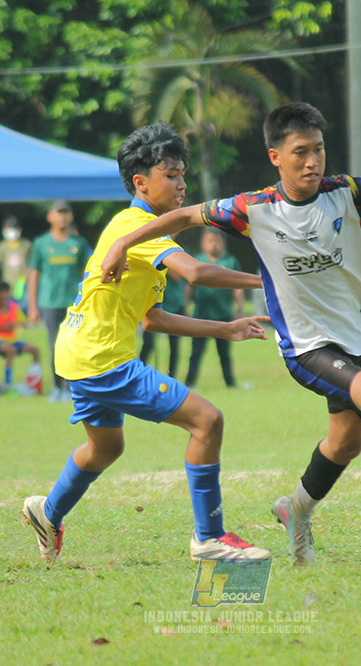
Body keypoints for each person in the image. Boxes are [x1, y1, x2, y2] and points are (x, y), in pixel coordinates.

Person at [100, 102, 361, 566]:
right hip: (304, 344)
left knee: (347, 441)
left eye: (318, 150)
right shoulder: (253, 208)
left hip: (355, 334)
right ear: (276, 157)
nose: (312, 161)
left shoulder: (349, 192)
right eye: (300, 152)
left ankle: (295, 509)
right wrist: (121, 243)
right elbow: (182, 218)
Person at [19, 122, 272, 564]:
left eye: (182, 174)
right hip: (102, 358)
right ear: (141, 182)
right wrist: (271, 280)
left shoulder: (143, 231)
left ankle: (48, 510)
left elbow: (151, 319)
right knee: (207, 422)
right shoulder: (138, 226)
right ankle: (208, 537)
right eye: (171, 174)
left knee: (106, 448)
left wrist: (225, 328)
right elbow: (195, 272)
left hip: (80, 352)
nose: (182, 184)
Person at [28, 199, 94, 402]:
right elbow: (34, 275)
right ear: (50, 217)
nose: (62, 216)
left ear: (71, 217)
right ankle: (57, 387)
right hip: (49, 302)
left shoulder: (79, 243)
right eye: (58, 213)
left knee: (74, 346)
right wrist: (32, 306)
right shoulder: (41, 244)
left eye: (66, 213)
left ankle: (71, 387)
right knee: (54, 344)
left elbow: (89, 271)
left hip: (74, 303)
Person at [184, 228, 244, 388]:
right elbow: (189, 286)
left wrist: (240, 308)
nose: (214, 245)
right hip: (201, 315)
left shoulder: (230, 262)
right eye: (210, 241)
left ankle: (230, 383)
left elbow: (238, 287)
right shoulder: (198, 261)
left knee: (224, 353)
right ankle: (190, 382)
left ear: (223, 242)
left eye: (217, 241)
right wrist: (186, 304)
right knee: (196, 352)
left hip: (223, 314)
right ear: (203, 244)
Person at [0, 280, 40, 392]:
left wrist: (16, 324)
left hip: (11, 340)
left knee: (34, 350)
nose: (3, 295)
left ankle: (36, 381)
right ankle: (7, 384)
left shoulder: (14, 307)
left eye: (5, 292)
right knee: (11, 350)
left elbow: (25, 323)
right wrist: (1, 328)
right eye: (0, 292)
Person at [138, 271, 186, 378]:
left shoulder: (174, 255)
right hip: (153, 305)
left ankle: (171, 376)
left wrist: (163, 261)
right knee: (148, 343)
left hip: (174, 305)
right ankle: (139, 373)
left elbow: (177, 276)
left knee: (174, 345)